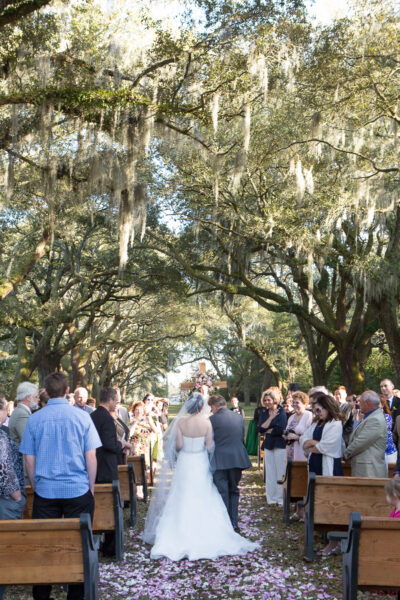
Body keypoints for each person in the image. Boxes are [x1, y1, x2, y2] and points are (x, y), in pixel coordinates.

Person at [143, 392, 257, 560]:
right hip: (200, 461)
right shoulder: (206, 423)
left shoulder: (181, 423)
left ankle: (181, 530)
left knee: (182, 495)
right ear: (202, 407)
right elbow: (210, 445)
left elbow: (179, 445)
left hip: (185, 462)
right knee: (204, 494)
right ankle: (208, 529)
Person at [19, 372, 101, 600]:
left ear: (45, 392)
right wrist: (91, 487)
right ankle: (76, 594)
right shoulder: (82, 418)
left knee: (44, 545)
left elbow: (29, 459)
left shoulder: (35, 419)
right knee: (79, 545)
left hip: (46, 490)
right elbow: (91, 457)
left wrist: (36, 485)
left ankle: (43, 594)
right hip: (77, 489)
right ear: (67, 391)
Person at [90, 387, 132, 556]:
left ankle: (102, 544)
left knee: (101, 506)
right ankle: (110, 548)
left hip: (95, 467)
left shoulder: (93, 415)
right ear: (109, 400)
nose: (118, 403)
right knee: (111, 507)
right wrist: (121, 444)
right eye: (117, 400)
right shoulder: (106, 418)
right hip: (106, 468)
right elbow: (108, 444)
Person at [209, 394, 252, 530]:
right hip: (236, 458)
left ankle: (225, 525)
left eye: (211, 408)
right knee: (234, 490)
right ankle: (234, 523)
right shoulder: (239, 417)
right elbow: (241, 438)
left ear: (214, 406)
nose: (211, 411)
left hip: (219, 459)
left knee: (222, 492)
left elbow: (209, 443)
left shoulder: (211, 420)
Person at [0, 397, 25, 600]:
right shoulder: (0, 437)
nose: (7, 414)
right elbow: (4, 470)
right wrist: (16, 496)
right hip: (6, 499)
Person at [343, 390, 387, 478]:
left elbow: (360, 442)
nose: (358, 405)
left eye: (361, 402)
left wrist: (345, 454)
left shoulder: (375, 420)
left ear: (367, 403)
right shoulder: (370, 417)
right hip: (364, 469)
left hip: (369, 471)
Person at [300, 393, 344, 476]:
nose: (317, 413)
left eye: (318, 410)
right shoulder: (316, 423)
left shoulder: (335, 424)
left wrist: (311, 443)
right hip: (314, 464)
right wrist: (315, 443)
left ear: (328, 408)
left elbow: (326, 447)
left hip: (329, 465)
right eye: (316, 410)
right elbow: (302, 439)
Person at [258, 388, 287, 506]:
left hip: (280, 444)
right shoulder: (264, 413)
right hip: (269, 444)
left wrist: (268, 429)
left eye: (269, 400)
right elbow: (260, 429)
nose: (267, 402)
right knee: (270, 472)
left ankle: (280, 498)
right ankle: (271, 498)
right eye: (265, 400)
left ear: (275, 400)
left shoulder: (282, 411)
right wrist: (270, 419)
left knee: (280, 471)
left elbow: (280, 429)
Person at [283, 391, 312, 461]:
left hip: (302, 452)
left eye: (297, 402)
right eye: (293, 402)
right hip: (289, 451)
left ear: (304, 404)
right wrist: (285, 435)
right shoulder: (291, 417)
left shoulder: (309, 416)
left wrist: (298, 437)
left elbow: (311, 435)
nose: (294, 404)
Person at [8, 381, 39, 446]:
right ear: (28, 398)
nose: (38, 399)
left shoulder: (21, 411)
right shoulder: (22, 414)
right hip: (21, 455)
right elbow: (28, 440)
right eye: (36, 397)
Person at [380, 396, 397, 468]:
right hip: (378, 453)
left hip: (390, 452)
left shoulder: (387, 416)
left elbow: (384, 428)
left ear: (382, 405)